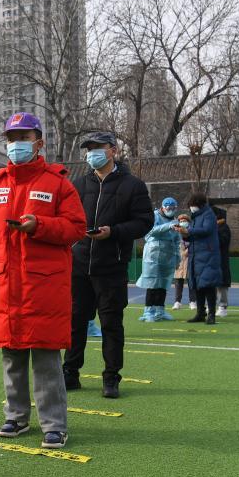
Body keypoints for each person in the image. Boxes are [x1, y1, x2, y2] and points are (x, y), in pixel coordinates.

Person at [0, 112, 87, 448]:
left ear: (39, 142)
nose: (16, 144)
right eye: (11, 138)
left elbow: (76, 227)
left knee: (47, 358)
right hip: (5, 286)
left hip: (44, 287)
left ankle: (54, 424)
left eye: (24, 137)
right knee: (12, 356)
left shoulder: (58, 183)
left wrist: (40, 226)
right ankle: (16, 416)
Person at [63, 132, 153, 398]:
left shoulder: (133, 185)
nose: (92, 153)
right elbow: (68, 219)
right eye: (89, 149)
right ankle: (70, 372)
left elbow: (144, 222)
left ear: (113, 150)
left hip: (112, 266)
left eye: (97, 147)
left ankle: (111, 378)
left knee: (111, 324)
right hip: (79, 265)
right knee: (75, 321)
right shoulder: (78, 184)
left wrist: (113, 232)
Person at [175, 192, 222, 325]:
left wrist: (188, 231)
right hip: (196, 255)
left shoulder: (208, 214)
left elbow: (206, 230)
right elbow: (193, 236)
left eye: (192, 205)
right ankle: (200, 313)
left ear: (199, 204)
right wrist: (184, 234)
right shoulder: (196, 216)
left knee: (208, 285)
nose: (191, 208)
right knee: (197, 285)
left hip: (208, 254)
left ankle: (211, 314)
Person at [136, 197, 181, 322]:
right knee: (152, 283)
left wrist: (178, 258)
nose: (171, 210)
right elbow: (150, 231)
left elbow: (177, 240)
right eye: (169, 208)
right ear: (163, 207)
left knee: (164, 283)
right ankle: (148, 311)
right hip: (153, 254)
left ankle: (160, 310)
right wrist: (168, 226)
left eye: (173, 208)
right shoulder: (154, 216)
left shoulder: (174, 220)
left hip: (168, 255)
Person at [215, 207, 232, 316]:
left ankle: (222, 306)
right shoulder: (212, 227)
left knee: (222, 284)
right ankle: (212, 305)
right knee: (211, 284)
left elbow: (222, 242)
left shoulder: (223, 227)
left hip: (221, 260)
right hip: (211, 260)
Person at [172, 226, 190, 310]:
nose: (182, 221)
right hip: (179, 262)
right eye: (181, 220)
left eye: (184, 220)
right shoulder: (176, 235)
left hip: (189, 261)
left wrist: (188, 251)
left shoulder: (191, 233)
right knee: (178, 282)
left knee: (191, 282)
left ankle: (192, 301)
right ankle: (177, 302)